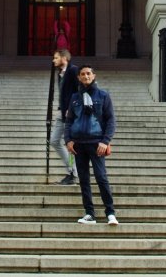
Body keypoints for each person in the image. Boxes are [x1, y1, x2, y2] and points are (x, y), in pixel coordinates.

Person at [65, 64, 118, 225]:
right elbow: (69, 121)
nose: (86, 76)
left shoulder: (103, 96)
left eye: (89, 73)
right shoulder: (75, 97)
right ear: (78, 77)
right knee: (84, 180)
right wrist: (68, 140)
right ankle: (89, 213)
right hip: (78, 145)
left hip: (96, 144)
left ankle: (110, 212)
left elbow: (111, 120)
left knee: (101, 177)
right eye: (83, 74)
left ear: (94, 76)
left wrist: (105, 141)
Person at [50, 49, 79, 185]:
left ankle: (71, 174)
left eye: (56, 58)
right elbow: (64, 94)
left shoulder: (73, 70)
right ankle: (72, 170)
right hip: (63, 113)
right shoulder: (60, 74)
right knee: (54, 140)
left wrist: (72, 109)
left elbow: (79, 91)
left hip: (71, 114)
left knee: (70, 144)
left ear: (64, 58)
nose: (53, 60)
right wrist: (60, 109)